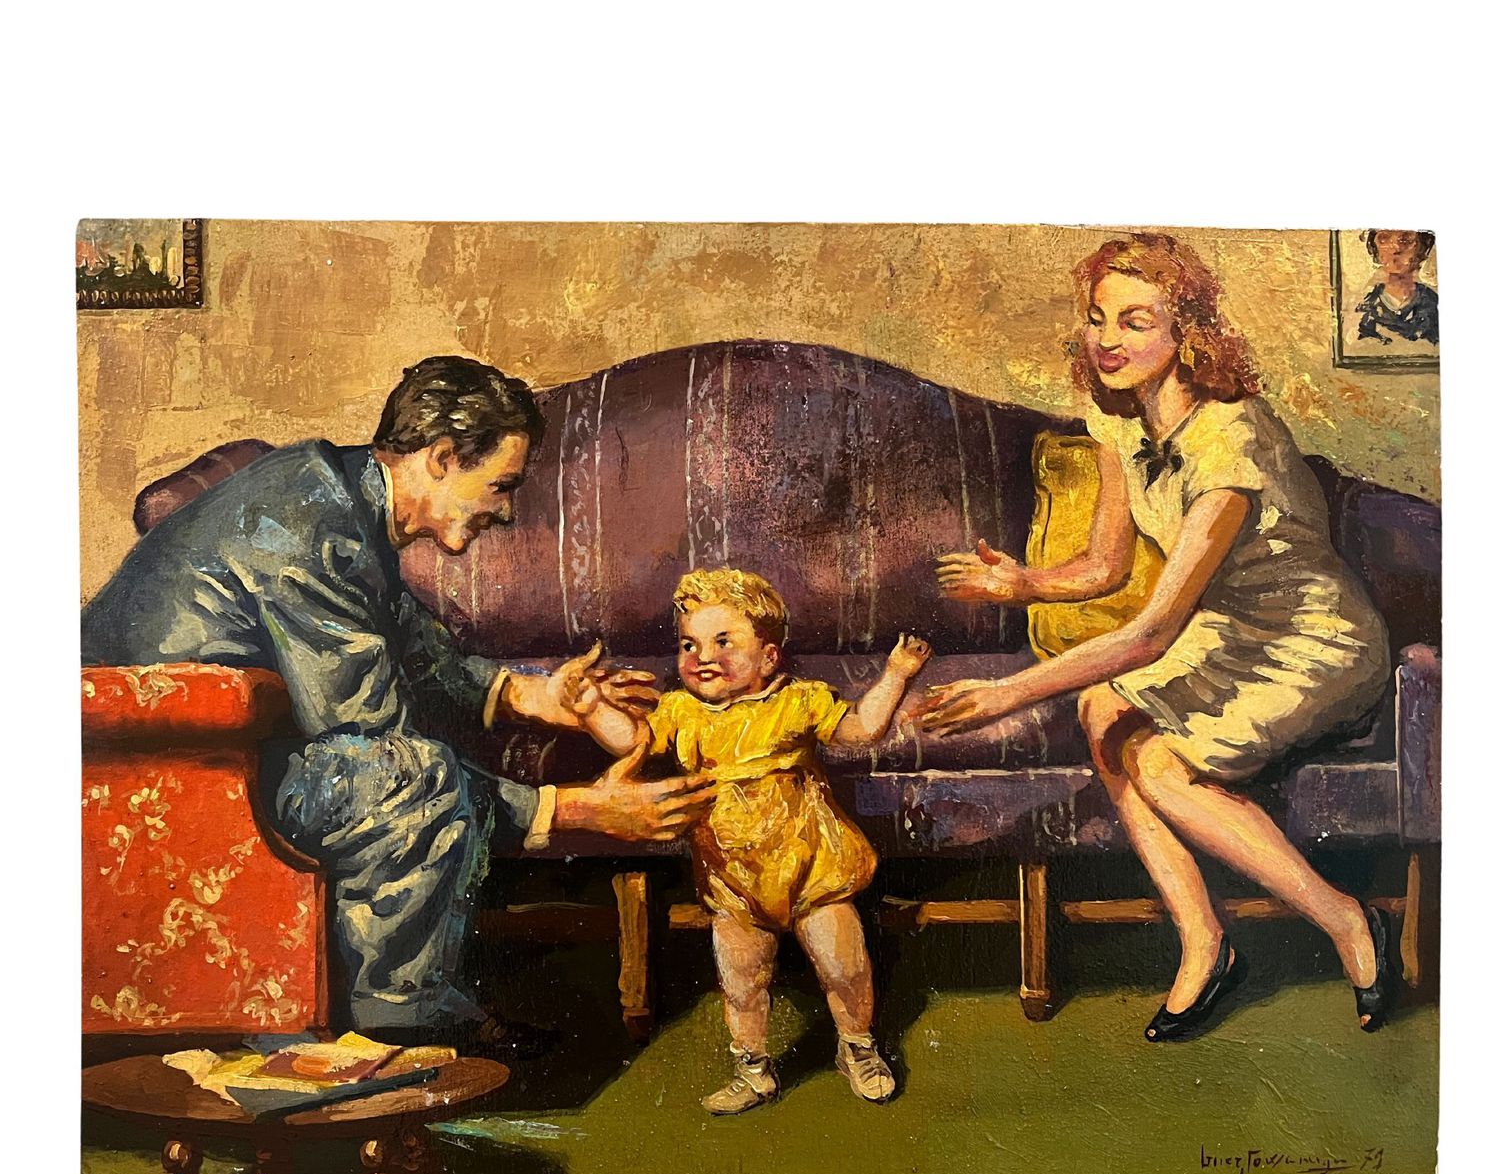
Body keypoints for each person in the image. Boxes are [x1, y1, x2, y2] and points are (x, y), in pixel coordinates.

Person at [80, 355, 716, 1051]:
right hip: (163, 771)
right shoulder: (305, 528)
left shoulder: (339, 495)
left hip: (208, 755)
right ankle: (397, 1034)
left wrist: (532, 694)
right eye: (501, 485)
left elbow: (412, 648)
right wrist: (572, 811)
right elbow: (373, 740)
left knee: (411, 768)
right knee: (413, 778)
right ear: (441, 458)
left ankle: (409, 1018)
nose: (506, 511)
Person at [918, 234, 1396, 1041]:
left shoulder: (1230, 442)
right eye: (1098, 318)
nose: (1107, 340)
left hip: (1316, 643)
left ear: (1188, 334)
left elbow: (1150, 635)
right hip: (1228, 633)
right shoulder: (1121, 426)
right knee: (1102, 711)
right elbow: (1105, 567)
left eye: (1135, 321)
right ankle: (1204, 942)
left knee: (1161, 765)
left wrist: (1007, 693)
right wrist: (1023, 583)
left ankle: (1347, 920)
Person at [563, 567, 931, 1112]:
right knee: (741, 981)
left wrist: (897, 675)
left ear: (768, 658)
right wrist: (592, 707)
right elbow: (630, 740)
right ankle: (753, 1069)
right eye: (689, 645)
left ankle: (858, 1046)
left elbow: (860, 729)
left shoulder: (798, 701)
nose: (702, 656)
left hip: (812, 866)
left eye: (723, 642)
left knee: (843, 966)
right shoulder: (681, 711)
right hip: (731, 877)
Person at [1355, 229, 1438, 345]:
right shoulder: (1364, 305)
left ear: (1422, 248)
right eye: (1384, 239)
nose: (1395, 248)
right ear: (1374, 248)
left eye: (1406, 240)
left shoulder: (1433, 304)